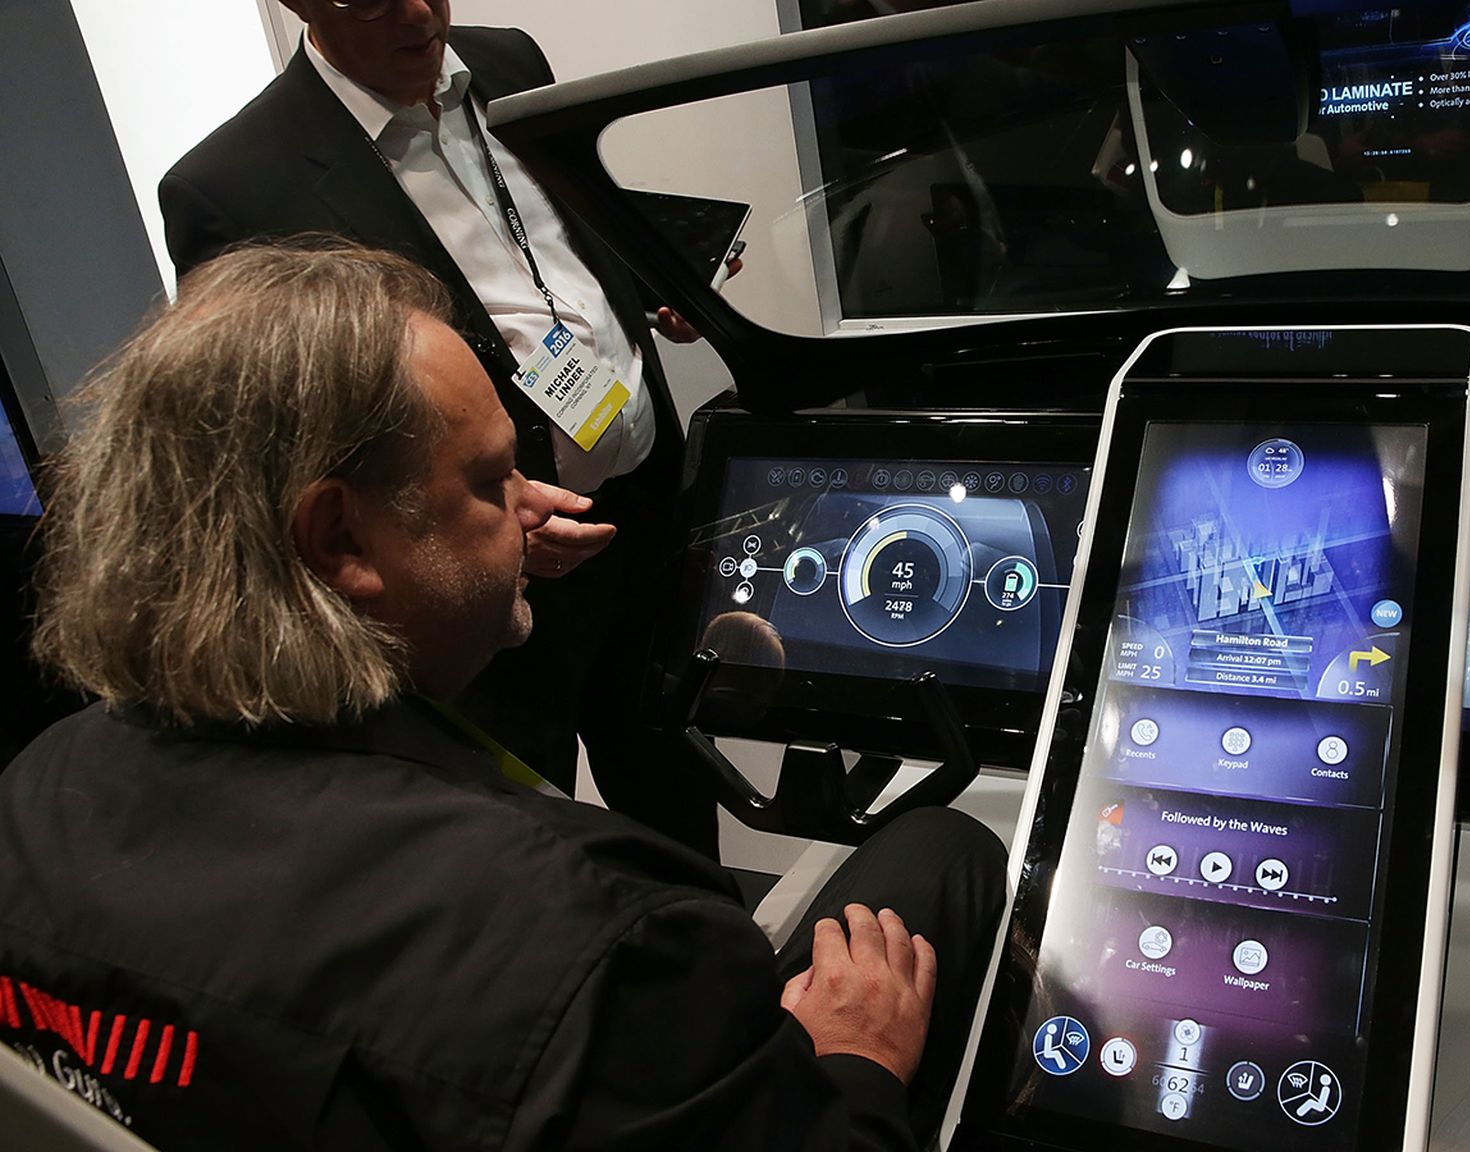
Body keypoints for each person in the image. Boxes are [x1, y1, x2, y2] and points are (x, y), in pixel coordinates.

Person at [0, 242, 1005, 1149]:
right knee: (943, 851)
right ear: (344, 542)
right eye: (489, 482)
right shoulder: (608, 943)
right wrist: (857, 1061)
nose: (539, 505)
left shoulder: (35, 795)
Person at [158, 0, 715, 847]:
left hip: (640, 517)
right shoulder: (232, 187)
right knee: (511, 843)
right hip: (474, 584)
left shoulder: (510, 62)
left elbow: (551, 248)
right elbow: (281, 443)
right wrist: (491, 501)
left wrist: (649, 279)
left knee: (676, 795)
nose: (416, 10)